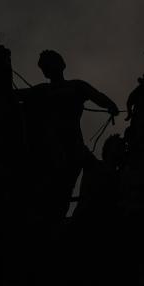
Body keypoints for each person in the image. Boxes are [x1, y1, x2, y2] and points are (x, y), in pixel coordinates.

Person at [20, 50, 120, 222]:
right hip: (53, 147)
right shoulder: (43, 90)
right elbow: (17, 95)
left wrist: (110, 105)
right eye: (45, 67)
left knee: (94, 176)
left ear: (60, 65)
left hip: (73, 146)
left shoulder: (75, 86)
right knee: (60, 191)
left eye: (48, 64)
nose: (47, 69)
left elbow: (98, 97)